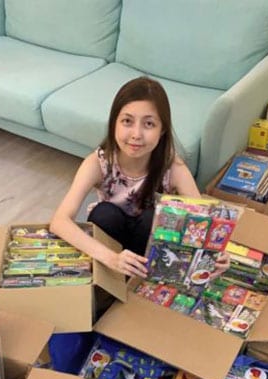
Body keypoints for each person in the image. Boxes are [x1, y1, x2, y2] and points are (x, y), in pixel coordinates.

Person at [50, 77, 228, 278]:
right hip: (112, 245)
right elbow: (59, 221)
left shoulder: (174, 168)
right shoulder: (98, 162)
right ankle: (110, 286)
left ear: (162, 131)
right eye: (127, 121)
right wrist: (111, 258)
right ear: (114, 124)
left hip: (150, 252)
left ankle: (137, 285)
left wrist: (218, 255)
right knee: (105, 213)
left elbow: (204, 221)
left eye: (149, 124)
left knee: (153, 217)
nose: (136, 134)